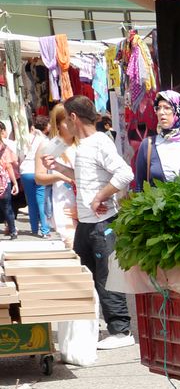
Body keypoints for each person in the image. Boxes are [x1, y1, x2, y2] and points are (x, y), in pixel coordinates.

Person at [41, 95, 135, 349]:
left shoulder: (99, 142)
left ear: (73, 118)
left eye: (66, 120)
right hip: (87, 222)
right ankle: (94, 325)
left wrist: (100, 197)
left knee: (106, 277)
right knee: (83, 274)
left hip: (102, 221)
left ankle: (121, 331)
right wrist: (59, 167)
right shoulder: (83, 146)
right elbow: (83, 179)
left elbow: (126, 173)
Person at [34, 103, 77, 246]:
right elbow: (39, 177)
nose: (72, 125)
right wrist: (60, 176)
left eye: (73, 120)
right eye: (67, 121)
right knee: (72, 245)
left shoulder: (83, 144)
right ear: (57, 124)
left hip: (87, 205)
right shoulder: (50, 146)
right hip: (64, 204)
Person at [21, 118, 51, 237]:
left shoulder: (23, 139)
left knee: (31, 202)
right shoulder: (44, 139)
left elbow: (19, 155)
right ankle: (45, 230)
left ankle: (34, 229)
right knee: (41, 201)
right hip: (39, 170)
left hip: (25, 171)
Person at [0, 124, 19, 239]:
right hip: (4, 181)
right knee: (7, 207)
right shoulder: (4, 147)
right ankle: (12, 230)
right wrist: (15, 183)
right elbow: (9, 166)